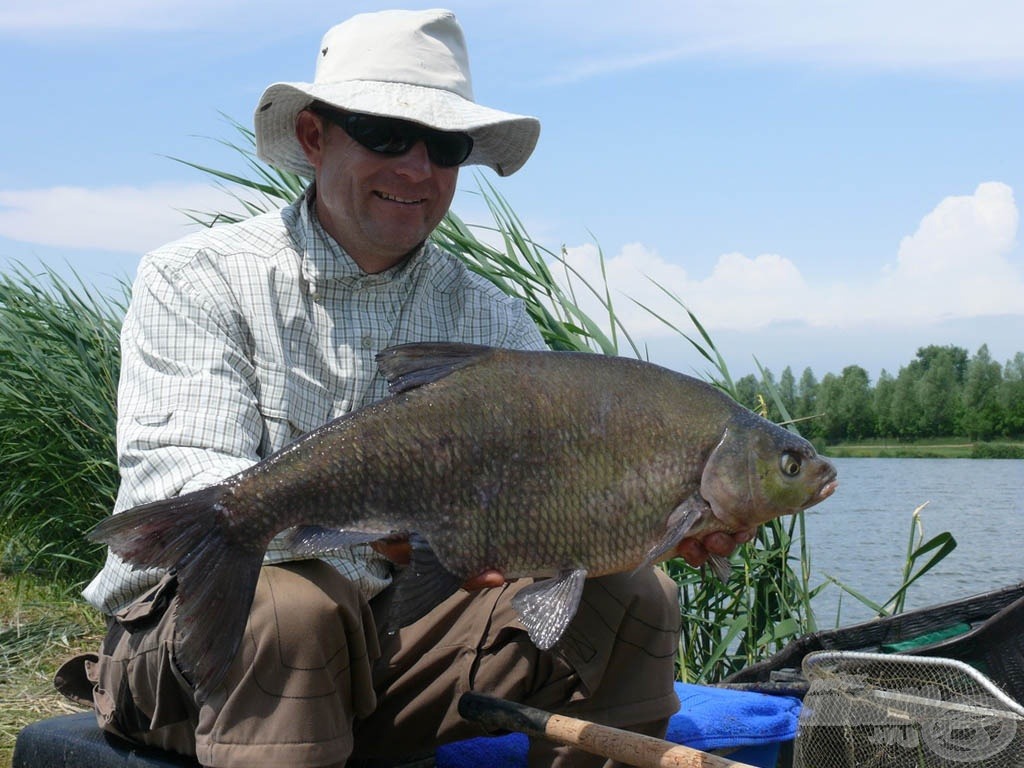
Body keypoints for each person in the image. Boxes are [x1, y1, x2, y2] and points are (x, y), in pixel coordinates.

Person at [62, 9, 752, 768]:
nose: (417, 170)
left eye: (446, 146)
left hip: (399, 646)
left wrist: (648, 521)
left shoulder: (492, 316)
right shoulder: (196, 277)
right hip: (208, 651)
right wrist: (370, 520)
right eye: (385, 134)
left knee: (636, 596)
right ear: (315, 137)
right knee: (294, 611)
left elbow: (547, 503)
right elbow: (177, 484)